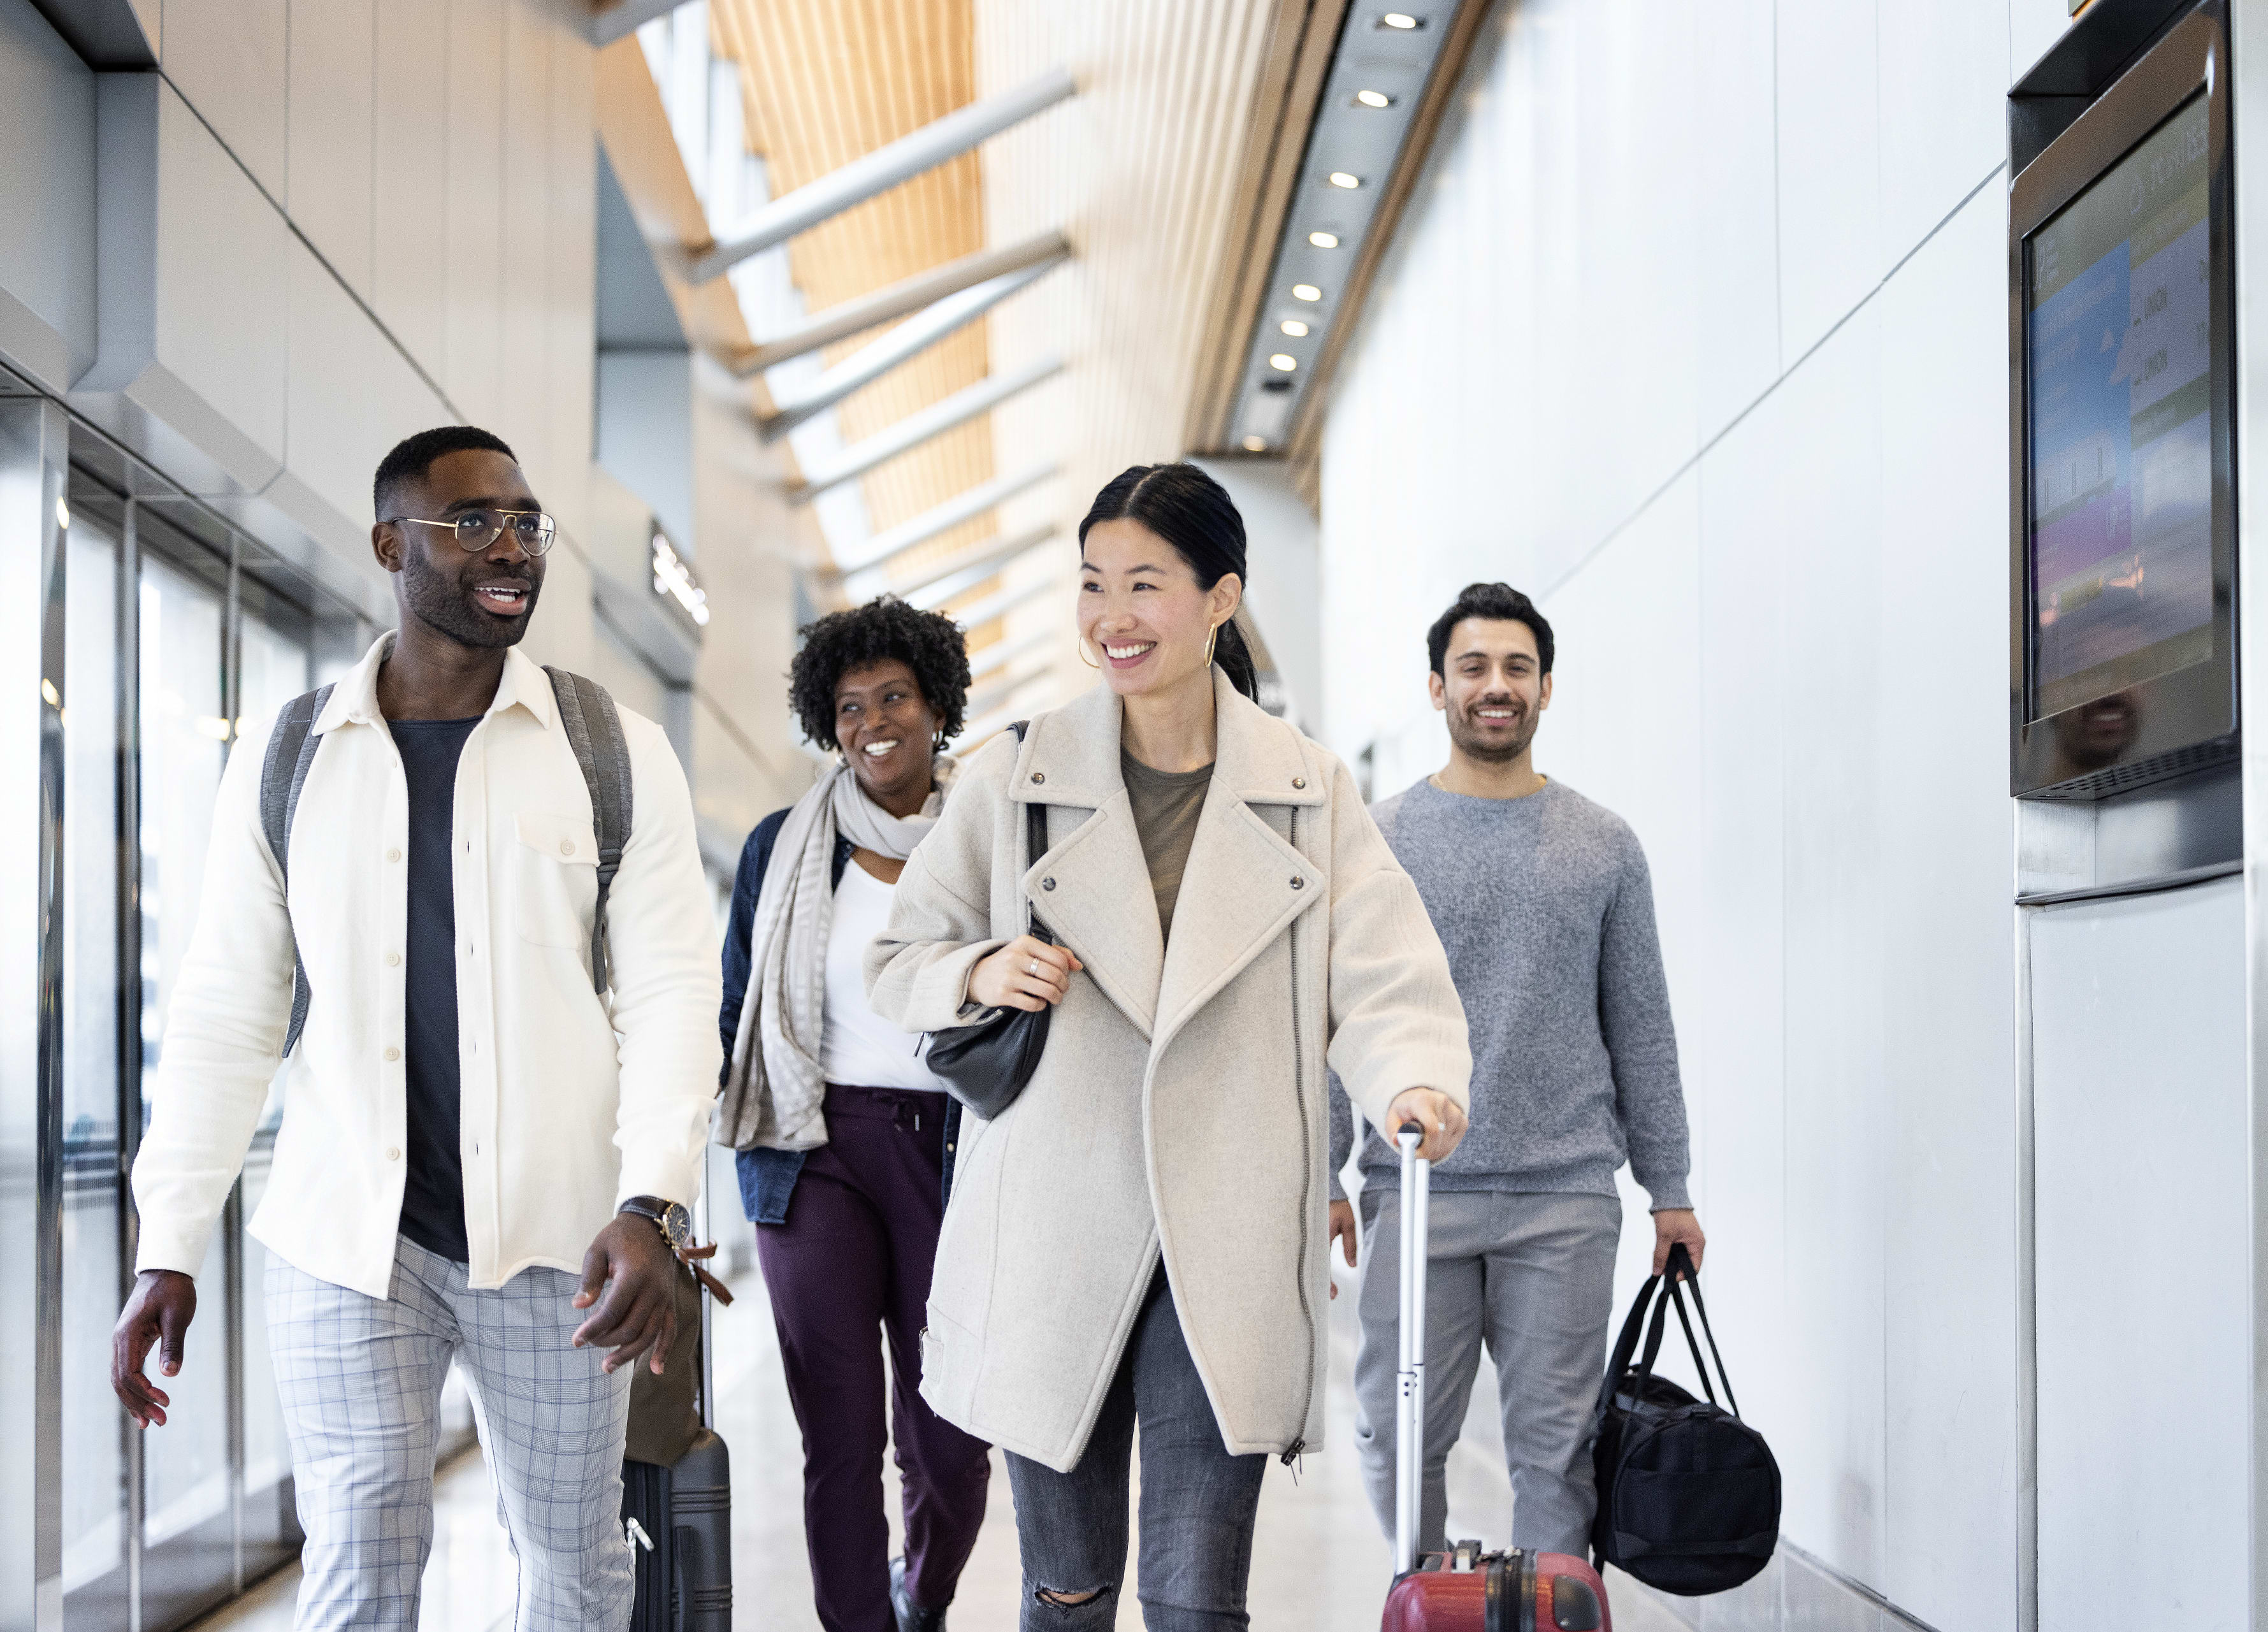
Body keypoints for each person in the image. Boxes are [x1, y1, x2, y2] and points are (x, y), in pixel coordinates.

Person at [111, 425, 722, 1631]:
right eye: (475, 522)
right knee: (358, 1552)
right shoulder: (292, 757)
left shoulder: (616, 752)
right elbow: (230, 1008)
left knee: (573, 1562)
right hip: (346, 1238)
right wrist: (168, 1236)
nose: (512, 547)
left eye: (526, 521)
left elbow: (668, 996)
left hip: (563, 1241)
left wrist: (654, 1201)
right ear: (392, 544)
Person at [867, 463, 1475, 1631]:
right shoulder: (1017, 773)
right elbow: (903, 957)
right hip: (1057, 1225)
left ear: (1221, 598)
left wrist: (1414, 1078)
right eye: (1094, 585)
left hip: (1225, 1232)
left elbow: (1384, 963)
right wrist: (984, 969)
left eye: (1145, 584)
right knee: (1069, 1592)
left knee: (1198, 1603)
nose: (1112, 617)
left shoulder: (1306, 789)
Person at [1325, 580, 1703, 1562]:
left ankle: (1550, 1610)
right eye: (1475, 667)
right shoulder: (1379, 839)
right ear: (1436, 686)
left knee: (1557, 1457)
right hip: (1415, 1192)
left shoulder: (1605, 845)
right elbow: (1342, 1011)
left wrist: (1672, 1188)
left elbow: (1643, 1027)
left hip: (1563, 1200)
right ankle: (1430, 1598)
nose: (1497, 686)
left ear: (1545, 689)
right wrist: (1321, 1168)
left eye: (1517, 668)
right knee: (1394, 1437)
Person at [716, 597, 992, 1632]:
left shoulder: (986, 840)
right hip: (811, 1150)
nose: (873, 721)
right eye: (848, 705)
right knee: (837, 1437)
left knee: (952, 1440)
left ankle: (920, 1591)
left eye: (894, 698)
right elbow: (739, 1009)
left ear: (936, 708)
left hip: (954, 1150)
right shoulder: (782, 846)